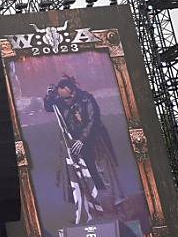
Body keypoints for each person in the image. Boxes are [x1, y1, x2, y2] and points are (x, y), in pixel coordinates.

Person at [43, 75, 122, 224]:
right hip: (74, 146)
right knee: (81, 177)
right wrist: (48, 96)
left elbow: (93, 120)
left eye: (66, 98)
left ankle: (111, 209)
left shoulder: (87, 99)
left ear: (73, 93)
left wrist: (82, 139)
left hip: (93, 144)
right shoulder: (61, 100)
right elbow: (49, 107)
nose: (64, 101)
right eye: (61, 98)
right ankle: (92, 212)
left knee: (101, 175)